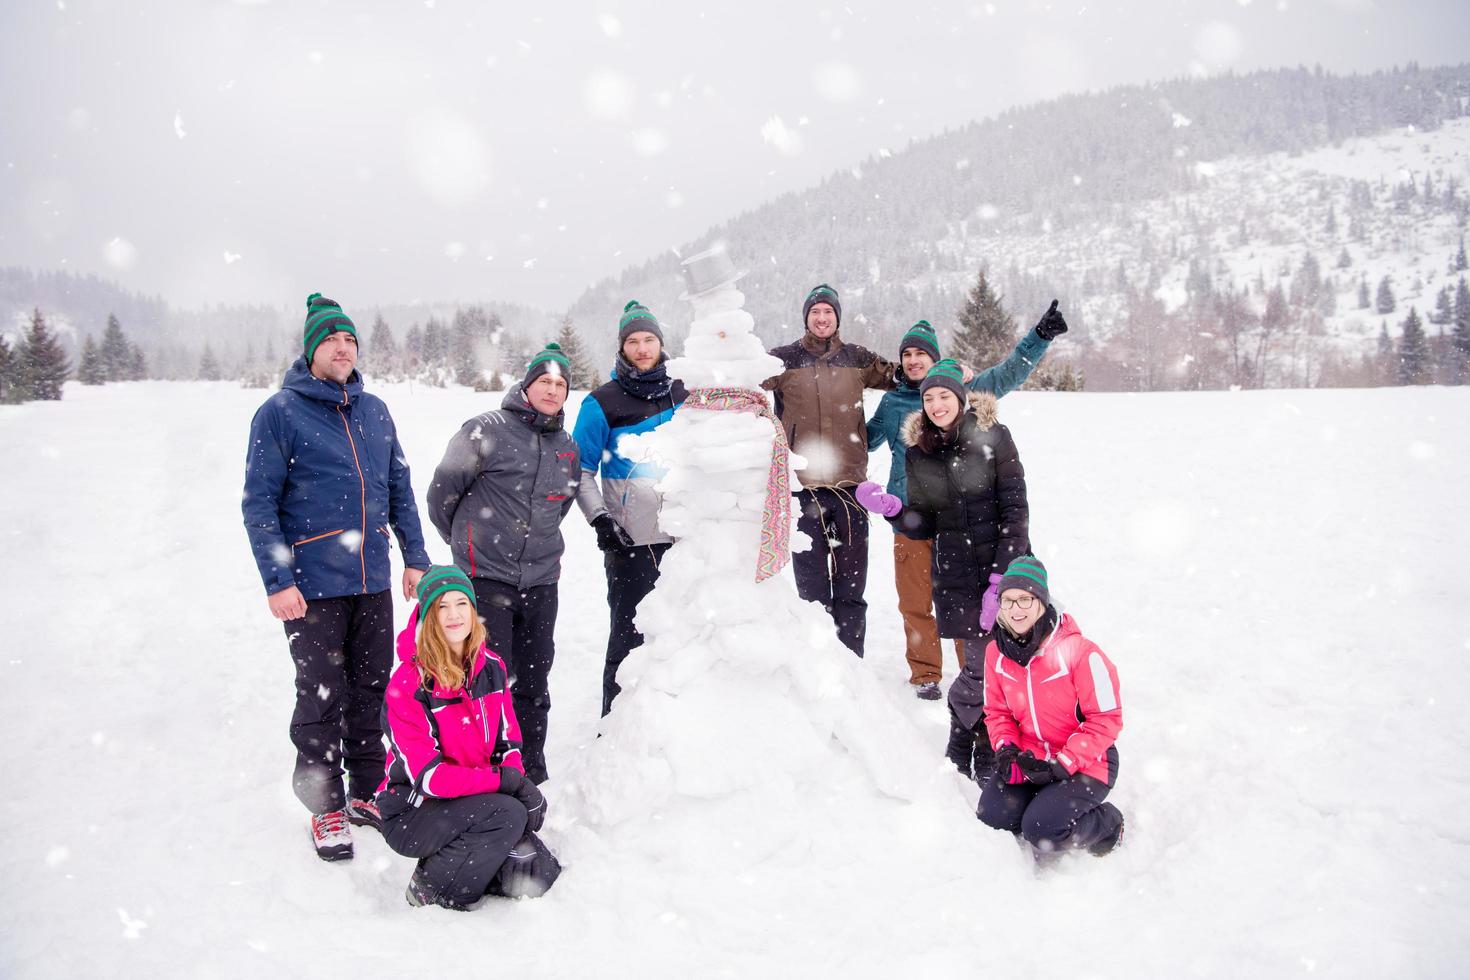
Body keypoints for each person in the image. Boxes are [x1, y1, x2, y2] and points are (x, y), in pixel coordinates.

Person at [242, 292, 431, 861]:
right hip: (313, 584)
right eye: (332, 340)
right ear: (312, 350)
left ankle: (367, 789)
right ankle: (325, 806)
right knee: (322, 694)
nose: (344, 348)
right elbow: (260, 503)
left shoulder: (374, 410)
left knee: (372, 688)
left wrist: (415, 557)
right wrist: (279, 581)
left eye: (350, 340)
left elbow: (398, 486)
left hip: (372, 578)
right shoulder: (280, 412)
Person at [865, 306, 1066, 699]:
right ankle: (926, 676)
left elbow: (1008, 374)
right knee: (915, 602)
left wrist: (1039, 336)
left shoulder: (969, 401)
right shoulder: (891, 404)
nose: (913, 360)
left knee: (967, 602)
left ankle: (974, 673)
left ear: (938, 362)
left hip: (964, 526)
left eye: (921, 353)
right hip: (909, 517)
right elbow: (861, 438)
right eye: (906, 354)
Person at [855, 359, 1029, 777]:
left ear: (960, 398)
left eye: (944, 395)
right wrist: (894, 510)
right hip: (954, 572)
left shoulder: (993, 437)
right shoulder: (920, 452)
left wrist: (1001, 578)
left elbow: (1015, 509)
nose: (936, 404)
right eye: (928, 397)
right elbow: (926, 522)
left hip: (999, 568)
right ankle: (969, 736)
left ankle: (981, 742)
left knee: (998, 668)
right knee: (976, 667)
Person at [428, 342, 581, 784]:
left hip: (541, 581)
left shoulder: (567, 446)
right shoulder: (485, 429)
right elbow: (442, 496)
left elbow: (560, 506)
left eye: (560, 384)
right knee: (486, 678)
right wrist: (468, 545)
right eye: (544, 382)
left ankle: (529, 768)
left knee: (535, 680)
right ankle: (485, 768)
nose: (552, 391)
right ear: (527, 385)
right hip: (485, 578)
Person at [378, 565, 560, 909]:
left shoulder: (491, 667)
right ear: (427, 615)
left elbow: (509, 744)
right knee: (505, 815)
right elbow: (430, 778)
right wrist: (507, 785)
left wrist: (514, 778)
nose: (453, 615)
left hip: (473, 799)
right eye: (442, 607)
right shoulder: (408, 684)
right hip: (414, 809)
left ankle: (473, 863)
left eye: (462, 604)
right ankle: (432, 889)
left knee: (537, 873)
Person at [762, 283, 900, 656]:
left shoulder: (858, 358)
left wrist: (947, 372)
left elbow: (905, 377)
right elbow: (745, 383)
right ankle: (819, 663)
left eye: (828, 312)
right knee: (811, 590)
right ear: (806, 317)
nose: (822, 318)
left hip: (851, 490)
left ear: (838, 317)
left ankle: (852, 662)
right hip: (801, 490)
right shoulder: (783, 359)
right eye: (815, 312)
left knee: (851, 589)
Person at [959, 557, 1125, 859]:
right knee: (992, 819)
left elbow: (1106, 720)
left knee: (1043, 830)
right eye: (1007, 600)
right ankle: (1043, 800)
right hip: (1030, 757)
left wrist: (1063, 764)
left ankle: (1108, 824)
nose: (1015, 609)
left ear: (1042, 601)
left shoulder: (1081, 653)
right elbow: (998, 712)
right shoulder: (996, 652)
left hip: (1088, 763)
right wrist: (1006, 748)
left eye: (1025, 599)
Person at [571, 301, 687, 715]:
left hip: (684, 539)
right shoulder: (601, 402)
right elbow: (579, 471)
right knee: (628, 638)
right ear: (622, 348)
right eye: (633, 341)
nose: (642, 348)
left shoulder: (682, 392)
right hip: (630, 543)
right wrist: (601, 520)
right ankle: (614, 726)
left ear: (661, 344)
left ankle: (669, 723)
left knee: (680, 636)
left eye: (649, 339)